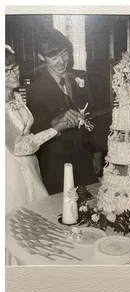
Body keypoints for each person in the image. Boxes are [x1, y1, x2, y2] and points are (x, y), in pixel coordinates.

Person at [26, 28, 100, 195]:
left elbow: (92, 117)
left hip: (85, 159)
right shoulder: (35, 89)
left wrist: (96, 154)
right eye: (53, 57)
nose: (61, 61)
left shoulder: (82, 78)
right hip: (55, 164)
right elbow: (35, 132)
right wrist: (54, 121)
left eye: (64, 54)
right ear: (41, 57)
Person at [5, 45, 73, 214]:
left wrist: (56, 121)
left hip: (29, 162)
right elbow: (18, 147)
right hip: (10, 168)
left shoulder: (17, 96)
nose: (14, 74)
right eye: (6, 71)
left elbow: (28, 130)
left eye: (15, 68)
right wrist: (55, 129)